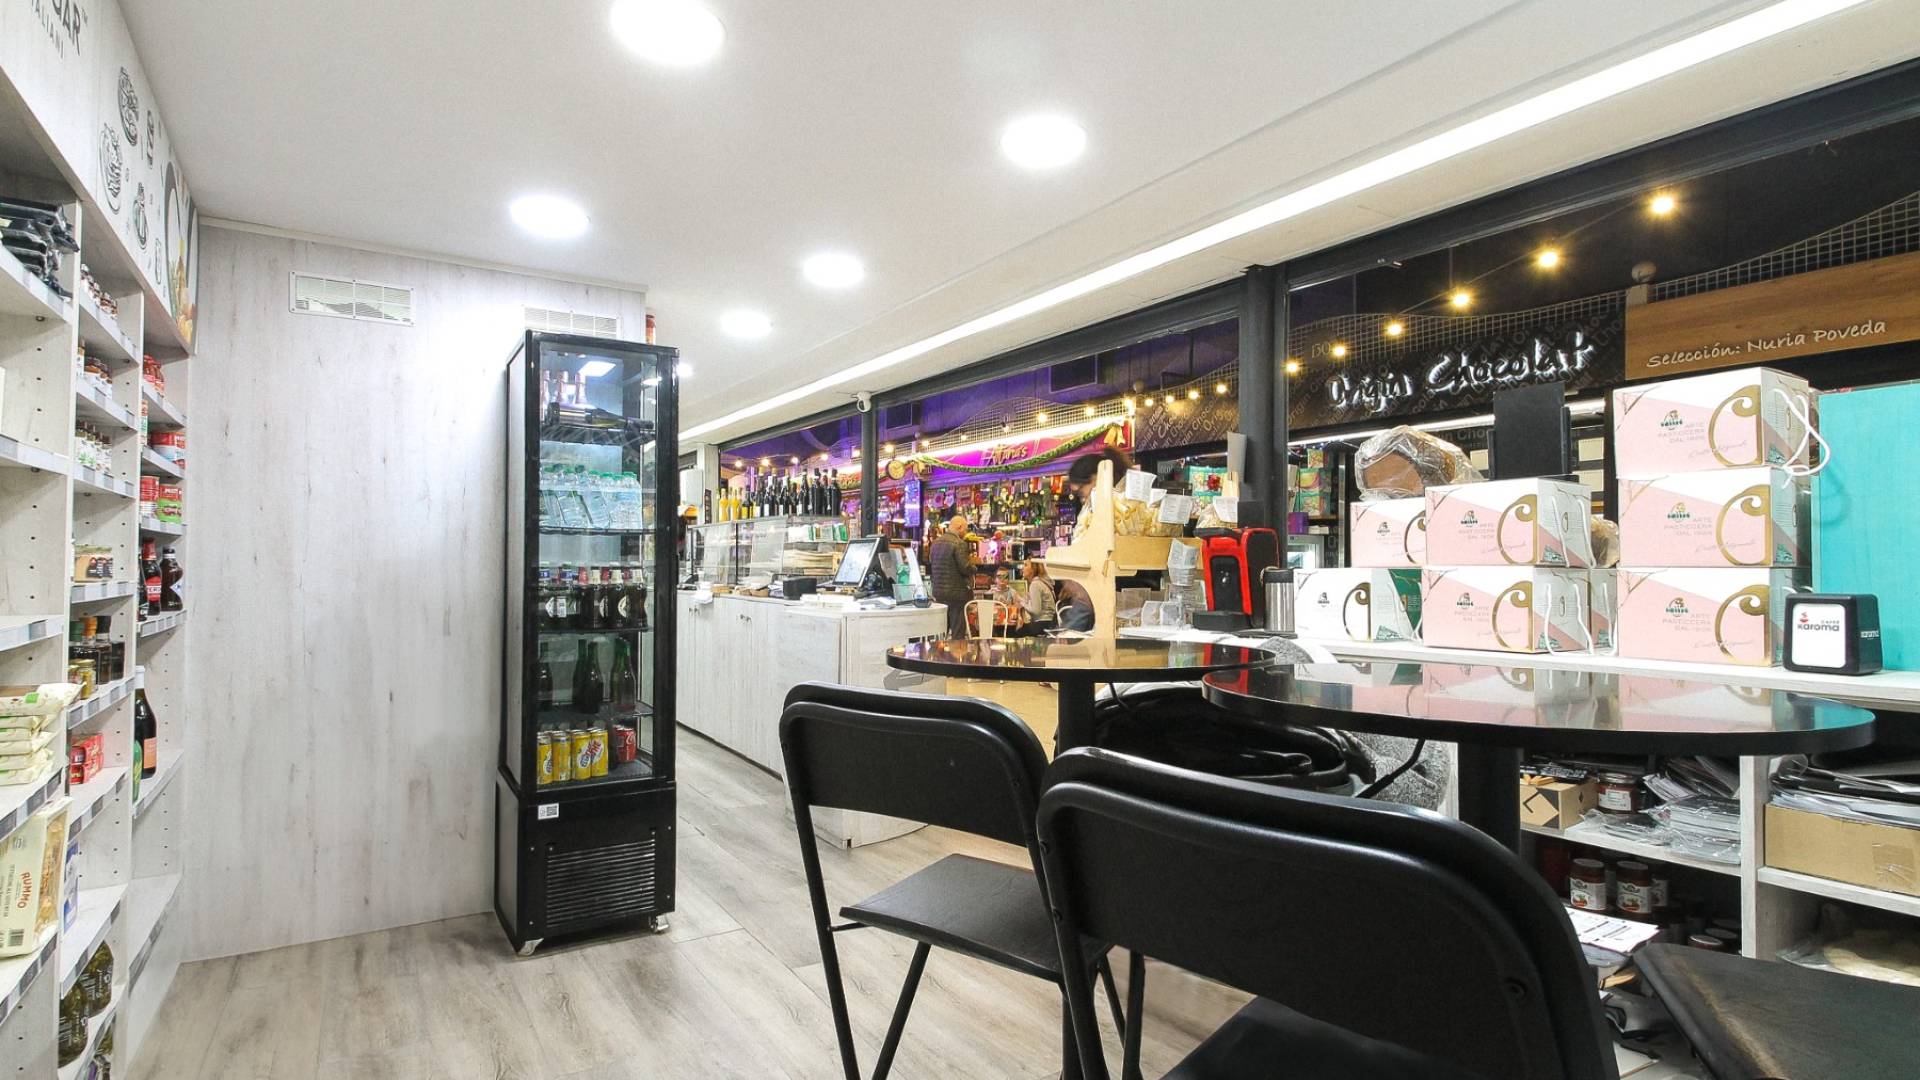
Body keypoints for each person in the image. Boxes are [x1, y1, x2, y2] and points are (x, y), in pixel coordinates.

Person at [928, 514, 976, 637]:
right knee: (958, 632)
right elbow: (965, 567)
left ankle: (942, 649)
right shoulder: (959, 543)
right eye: (965, 529)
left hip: (939, 593)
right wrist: (974, 567)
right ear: (959, 527)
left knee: (942, 631)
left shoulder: (935, 543)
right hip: (957, 594)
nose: (966, 533)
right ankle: (956, 650)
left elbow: (931, 564)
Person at [1010, 560, 1059, 637]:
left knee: (1014, 633)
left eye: (1026, 565)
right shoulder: (1042, 582)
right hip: (1049, 624)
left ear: (1033, 569)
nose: (1022, 568)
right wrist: (1022, 600)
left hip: (1041, 624)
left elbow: (1036, 611)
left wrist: (1021, 602)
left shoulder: (1035, 584)